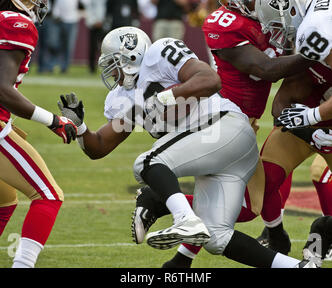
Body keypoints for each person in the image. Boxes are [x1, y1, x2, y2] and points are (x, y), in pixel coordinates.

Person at [59, 25, 316, 267]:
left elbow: (210, 80)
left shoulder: (158, 55)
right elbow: (100, 146)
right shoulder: (123, 98)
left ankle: (184, 218)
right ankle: (297, 266)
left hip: (224, 127)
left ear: (131, 56)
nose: (111, 72)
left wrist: (166, 96)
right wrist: (80, 128)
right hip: (215, 155)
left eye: (113, 63)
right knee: (216, 237)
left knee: (148, 162)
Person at [131, 0, 324, 268]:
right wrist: (313, 54)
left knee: (238, 216)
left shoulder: (299, 12)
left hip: (254, 121)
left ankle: (277, 240)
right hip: (226, 118)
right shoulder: (229, 23)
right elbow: (268, 71)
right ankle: (161, 206)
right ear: (229, 0)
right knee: (242, 203)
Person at [0, 0, 77, 268]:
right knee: (48, 195)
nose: (38, 0)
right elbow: (3, 90)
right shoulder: (15, 23)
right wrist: (54, 120)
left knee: (5, 200)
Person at [252, 0, 332, 256]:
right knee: (255, 193)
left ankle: (325, 232)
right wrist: (310, 130)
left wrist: (311, 118)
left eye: (277, 24)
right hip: (317, 116)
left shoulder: (318, 31)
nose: (275, 34)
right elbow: (281, 104)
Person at [50, 0, 90, 73]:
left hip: (72, 17)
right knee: (54, 42)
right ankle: (52, 64)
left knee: (68, 44)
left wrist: (82, 4)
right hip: (57, 16)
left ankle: (64, 67)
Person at [85, 0, 111, 74]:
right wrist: (92, 20)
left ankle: (108, 67)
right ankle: (91, 67)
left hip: (106, 23)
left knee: (108, 47)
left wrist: (106, 21)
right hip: (95, 22)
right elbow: (90, 7)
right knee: (92, 46)